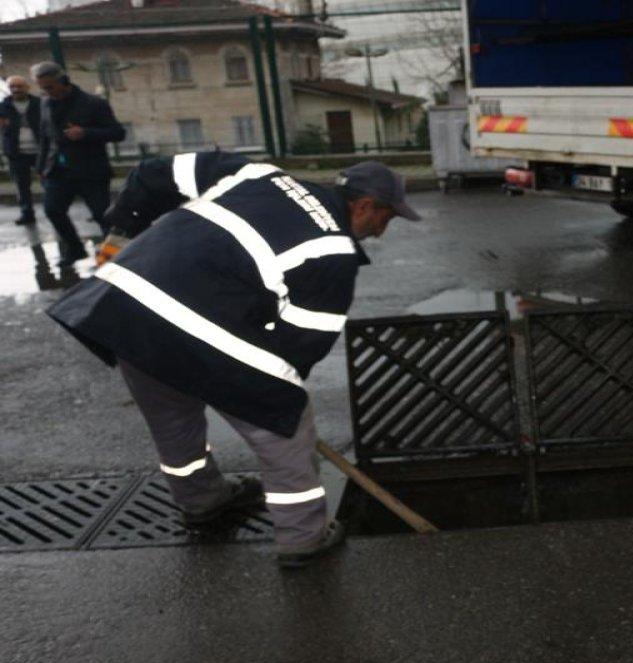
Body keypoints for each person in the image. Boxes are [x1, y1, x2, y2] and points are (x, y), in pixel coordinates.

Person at [47, 153, 421, 567]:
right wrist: (273, 403)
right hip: (187, 323)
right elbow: (300, 346)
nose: (381, 232)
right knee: (288, 429)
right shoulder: (333, 253)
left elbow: (153, 174)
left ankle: (202, 501)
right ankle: (303, 538)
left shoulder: (257, 174)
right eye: (385, 219)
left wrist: (120, 234)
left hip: (127, 309)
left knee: (173, 420)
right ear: (364, 205)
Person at [31, 61, 125, 267]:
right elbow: (45, 138)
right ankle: (75, 249)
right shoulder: (45, 103)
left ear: (63, 81)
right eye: (42, 88)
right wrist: (41, 167)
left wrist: (86, 133)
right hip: (57, 170)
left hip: (90, 169)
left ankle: (115, 256)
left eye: (49, 87)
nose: (46, 92)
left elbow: (118, 133)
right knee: (53, 209)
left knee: (103, 215)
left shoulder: (94, 103)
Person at [0, 76, 42, 225]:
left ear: (27, 87)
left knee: (49, 182)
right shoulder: (3, 107)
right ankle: (27, 214)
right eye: (12, 87)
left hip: (40, 151)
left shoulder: (39, 104)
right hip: (16, 152)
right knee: (22, 186)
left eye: (19, 86)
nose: (16, 90)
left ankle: (56, 210)